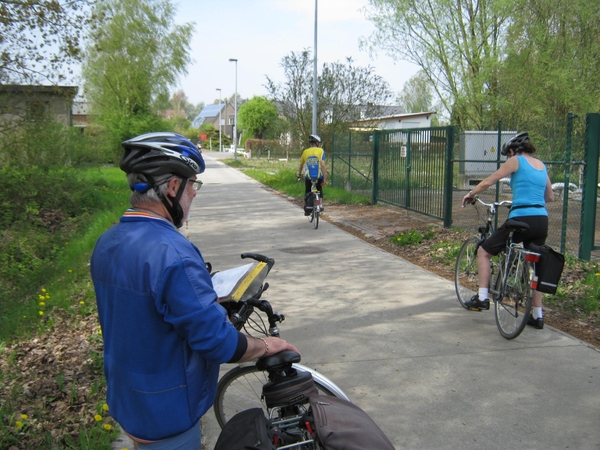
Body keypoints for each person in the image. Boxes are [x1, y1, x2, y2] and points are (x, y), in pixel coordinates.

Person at [90, 132, 298, 449]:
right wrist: (265, 345)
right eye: (192, 185)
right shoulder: (174, 254)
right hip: (167, 415)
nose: (194, 194)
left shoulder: (107, 242)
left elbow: (144, 308)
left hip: (127, 398)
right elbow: (219, 343)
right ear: (173, 188)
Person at [461, 132, 554, 329]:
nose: (508, 157)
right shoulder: (541, 165)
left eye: (508, 154)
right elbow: (550, 196)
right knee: (537, 267)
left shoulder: (516, 161)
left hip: (521, 218)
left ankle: (483, 297)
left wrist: (471, 194)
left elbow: (489, 181)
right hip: (542, 219)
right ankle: (537, 316)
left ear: (512, 150)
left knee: (484, 251)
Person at [297, 134, 327, 216]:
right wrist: (324, 178)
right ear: (317, 143)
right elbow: (323, 165)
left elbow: (301, 165)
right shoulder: (321, 151)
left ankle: (308, 206)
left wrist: (299, 174)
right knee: (319, 188)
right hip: (318, 176)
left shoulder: (305, 152)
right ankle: (320, 205)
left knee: (308, 190)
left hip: (308, 177)